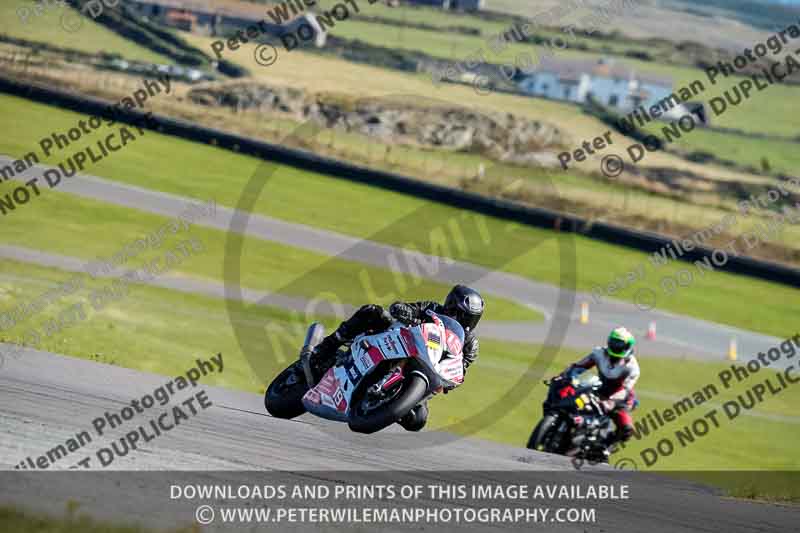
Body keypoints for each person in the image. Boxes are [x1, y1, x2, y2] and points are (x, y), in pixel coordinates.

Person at [309, 285, 485, 431]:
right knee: (372, 312)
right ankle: (325, 348)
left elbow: (462, 369)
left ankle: (386, 405)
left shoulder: (470, 344)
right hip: (402, 345)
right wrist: (404, 311)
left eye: (469, 318)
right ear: (449, 305)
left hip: (429, 374)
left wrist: (454, 379)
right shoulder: (432, 309)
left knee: (418, 420)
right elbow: (406, 308)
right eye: (458, 313)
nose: (462, 320)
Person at [559, 327, 640, 449]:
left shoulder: (632, 367)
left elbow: (626, 389)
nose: (616, 346)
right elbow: (579, 366)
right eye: (614, 342)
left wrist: (611, 402)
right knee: (574, 403)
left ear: (628, 346)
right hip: (599, 390)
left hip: (620, 397)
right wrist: (566, 376)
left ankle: (605, 447)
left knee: (627, 429)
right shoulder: (599, 353)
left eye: (620, 344)